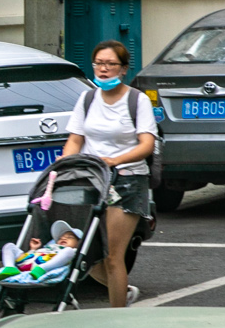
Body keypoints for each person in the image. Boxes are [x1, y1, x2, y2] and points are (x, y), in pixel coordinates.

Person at [62, 40, 157, 308]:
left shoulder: (137, 100)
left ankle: (117, 316)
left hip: (126, 181)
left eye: (110, 64)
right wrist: (66, 162)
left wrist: (114, 160)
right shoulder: (88, 98)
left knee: (114, 257)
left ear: (123, 69)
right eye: (99, 64)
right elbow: (75, 139)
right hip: (92, 179)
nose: (103, 69)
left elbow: (146, 145)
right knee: (82, 253)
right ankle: (123, 291)